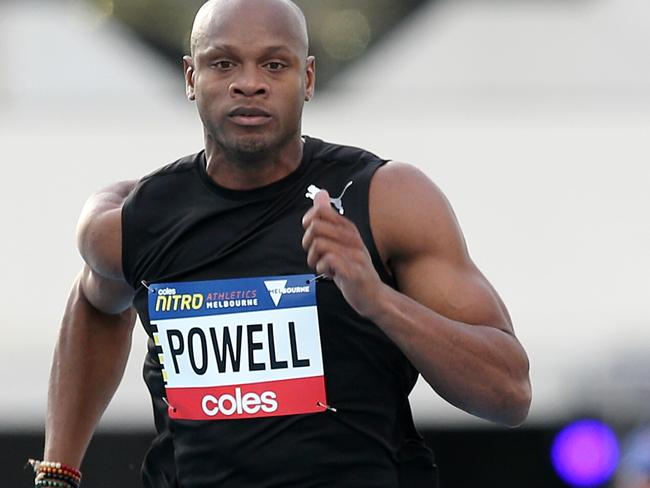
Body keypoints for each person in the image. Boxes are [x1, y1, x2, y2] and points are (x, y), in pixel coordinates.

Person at [37, 0, 532, 486]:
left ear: (308, 78)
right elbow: (95, 301)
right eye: (223, 62)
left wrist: (377, 299)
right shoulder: (140, 221)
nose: (249, 83)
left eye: (274, 64)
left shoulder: (384, 201)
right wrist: (58, 471)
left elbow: (509, 393)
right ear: (191, 78)